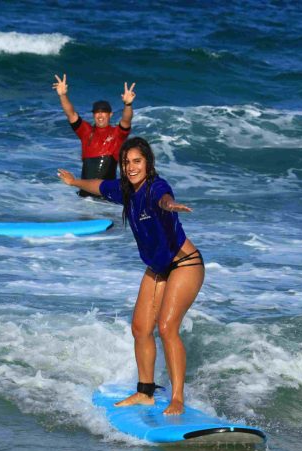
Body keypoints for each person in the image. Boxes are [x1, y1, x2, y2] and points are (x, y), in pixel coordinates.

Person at [57, 137, 204, 415]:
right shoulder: (125, 191)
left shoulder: (154, 188)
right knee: (140, 328)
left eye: (137, 161)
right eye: (126, 163)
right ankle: (145, 392)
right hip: (158, 268)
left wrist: (171, 206)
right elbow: (98, 186)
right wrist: (75, 182)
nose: (131, 167)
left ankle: (177, 399)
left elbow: (164, 198)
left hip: (185, 264)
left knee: (167, 328)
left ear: (148, 163)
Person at [52, 73, 136, 196]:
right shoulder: (86, 131)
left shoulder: (117, 134)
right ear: (93, 115)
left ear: (110, 114)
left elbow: (126, 120)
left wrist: (128, 105)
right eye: (97, 112)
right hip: (85, 197)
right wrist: (63, 95)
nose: (100, 115)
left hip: (106, 198)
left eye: (104, 112)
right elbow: (71, 114)